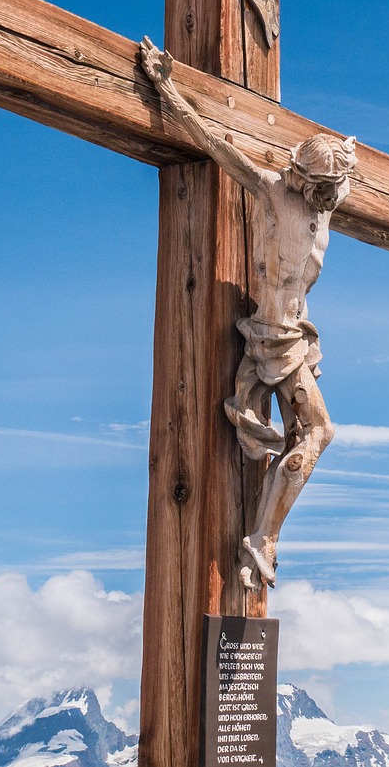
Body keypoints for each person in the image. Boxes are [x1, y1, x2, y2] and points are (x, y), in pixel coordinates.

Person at [139, 36, 357, 590]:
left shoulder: (324, 204)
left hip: (299, 335)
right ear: (303, 177)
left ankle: (263, 535)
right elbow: (216, 145)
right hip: (274, 338)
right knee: (319, 433)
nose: (334, 195)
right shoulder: (272, 191)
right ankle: (263, 538)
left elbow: (348, 174)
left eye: (337, 187)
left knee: (310, 437)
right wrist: (168, 88)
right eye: (327, 186)